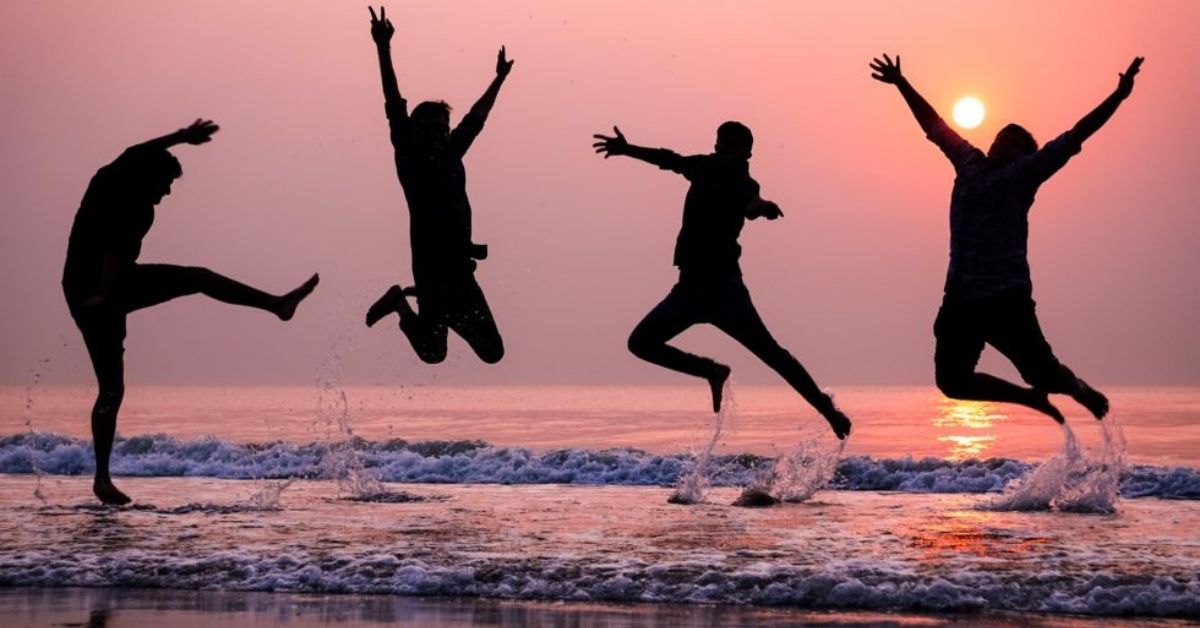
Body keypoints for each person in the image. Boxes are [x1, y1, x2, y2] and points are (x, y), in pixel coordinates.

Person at [869, 54, 1144, 423]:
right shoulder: (968, 162)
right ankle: (1030, 400)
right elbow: (934, 125)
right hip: (960, 298)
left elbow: (1078, 134)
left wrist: (1119, 96)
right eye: (1001, 138)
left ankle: (1077, 390)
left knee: (1042, 372)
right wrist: (902, 83)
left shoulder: (1024, 174)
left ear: (1024, 155)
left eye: (1013, 144)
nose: (1003, 145)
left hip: (1005, 298)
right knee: (952, 382)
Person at [63, 119, 320, 505]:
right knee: (195, 281)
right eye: (164, 183)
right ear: (147, 175)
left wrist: (182, 138)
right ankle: (277, 305)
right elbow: (117, 241)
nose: (166, 193)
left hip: (106, 290)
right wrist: (102, 298)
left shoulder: (133, 200)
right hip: (93, 293)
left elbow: (120, 257)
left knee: (113, 387)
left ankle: (101, 479)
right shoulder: (118, 190)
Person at [592, 123, 852, 439]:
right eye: (724, 147)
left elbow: (752, 205)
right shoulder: (701, 166)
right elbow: (668, 159)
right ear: (716, 146)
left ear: (748, 153)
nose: (729, 154)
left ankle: (828, 411)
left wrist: (765, 208)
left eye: (737, 149)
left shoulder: (745, 185)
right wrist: (627, 149)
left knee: (772, 354)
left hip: (726, 292)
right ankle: (710, 370)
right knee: (640, 343)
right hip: (688, 290)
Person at [363, 6, 510, 365]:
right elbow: (394, 103)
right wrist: (383, 47)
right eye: (433, 129)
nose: (440, 135)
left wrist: (498, 80)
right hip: (430, 271)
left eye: (444, 129)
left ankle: (435, 310)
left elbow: (477, 118)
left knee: (493, 353)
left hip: (460, 273)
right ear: (417, 131)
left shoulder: (451, 153)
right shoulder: (410, 157)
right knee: (433, 353)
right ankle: (401, 304)